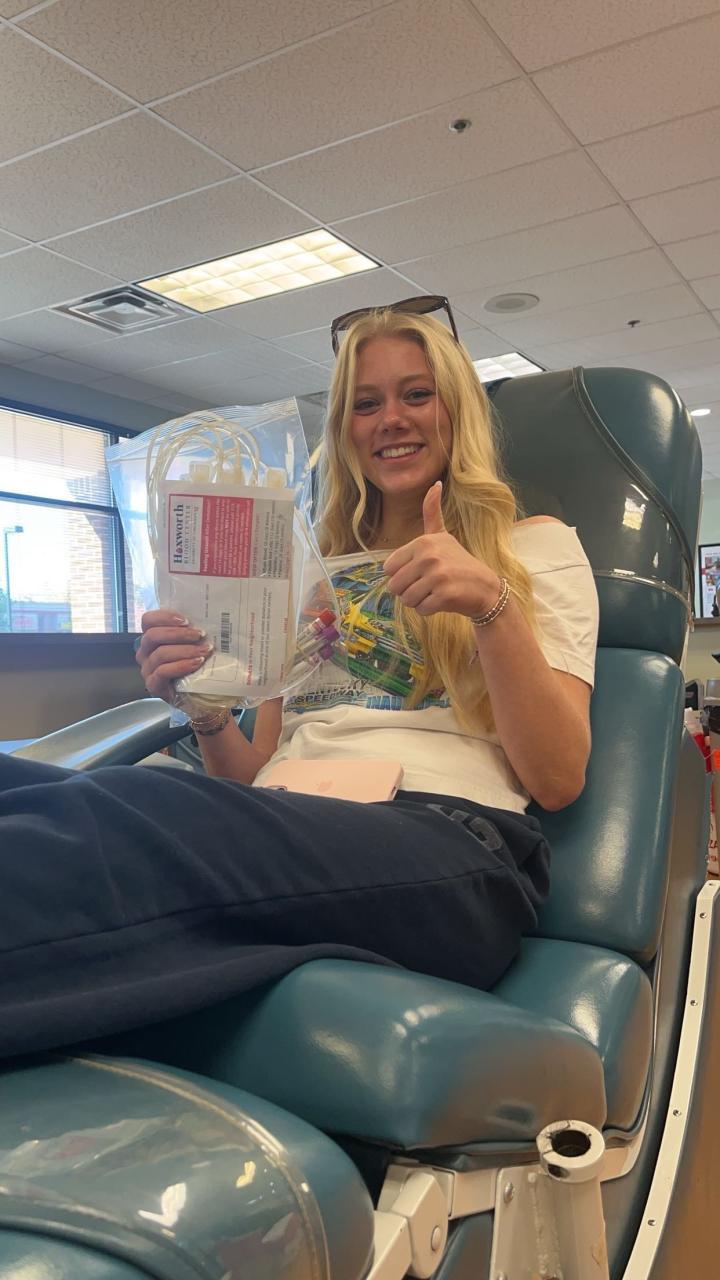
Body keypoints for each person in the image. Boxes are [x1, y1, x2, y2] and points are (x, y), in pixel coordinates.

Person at [0, 297, 598, 1059]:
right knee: (23, 784)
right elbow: (252, 783)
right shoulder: (309, 571)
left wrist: (490, 606)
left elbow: (557, 778)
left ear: (457, 409)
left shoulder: (531, 548)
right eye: (365, 404)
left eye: (417, 394)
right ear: (343, 428)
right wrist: (204, 708)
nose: (391, 419)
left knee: (120, 801)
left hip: (448, 848)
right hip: (293, 822)